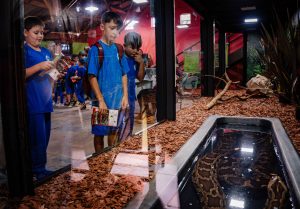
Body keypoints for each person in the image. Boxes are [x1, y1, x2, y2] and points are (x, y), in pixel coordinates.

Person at [87, 11, 129, 153]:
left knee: (114, 133)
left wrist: (125, 96)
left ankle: (111, 161)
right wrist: (100, 100)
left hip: (117, 102)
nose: (115, 32)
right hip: (103, 104)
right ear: (102, 27)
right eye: (112, 28)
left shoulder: (119, 49)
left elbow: (124, 74)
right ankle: (99, 161)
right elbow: (91, 76)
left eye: (117, 29)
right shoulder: (96, 49)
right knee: (99, 135)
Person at [24, 16, 54, 180]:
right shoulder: (23, 51)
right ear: (25, 32)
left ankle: (40, 167)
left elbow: (49, 74)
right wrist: (39, 66)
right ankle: (36, 170)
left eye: (42, 33)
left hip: (46, 100)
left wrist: (55, 73)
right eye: (36, 32)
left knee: (45, 137)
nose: (40, 36)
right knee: (37, 138)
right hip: (33, 101)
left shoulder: (45, 52)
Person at [122, 32, 145, 137]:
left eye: (137, 47)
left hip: (130, 98)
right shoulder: (120, 59)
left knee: (128, 124)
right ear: (124, 46)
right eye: (132, 47)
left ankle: (126, 141)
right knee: (117, 126)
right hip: (119, 97)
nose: (135, 50)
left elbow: (140, 78)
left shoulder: (135, 59)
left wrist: (141, 63)